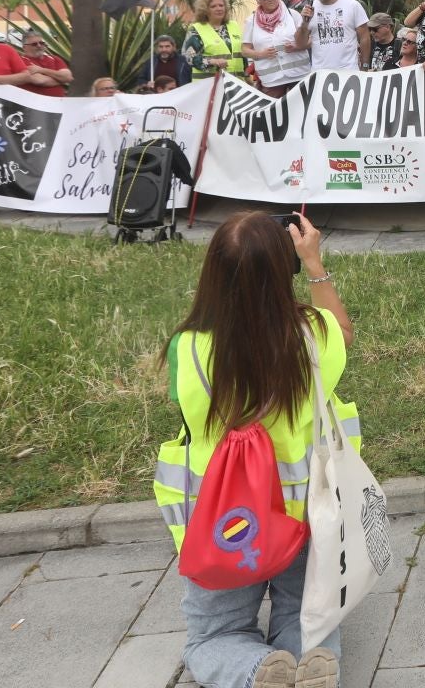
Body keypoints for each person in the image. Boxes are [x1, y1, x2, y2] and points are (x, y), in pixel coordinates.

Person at [153, 212, 354, 688]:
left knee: (211, 635)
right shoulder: (314, 334)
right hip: (303, 508)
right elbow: (344, 332)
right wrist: (314, 264)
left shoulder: (187, 347)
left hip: (222, 519)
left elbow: (183, 406)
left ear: (213, 274)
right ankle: (311, 664)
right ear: (283, 269)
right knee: (307, 616)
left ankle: (255, 671)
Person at [242, 0, 310, 98]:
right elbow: (244, 50)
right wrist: (260, 54)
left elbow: (311, 41)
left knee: (304, 112)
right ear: (257, 0)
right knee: (276, 116)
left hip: (299, 75)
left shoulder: (292, 15)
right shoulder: (251, 21)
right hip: (271, 81)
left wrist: (297, 46)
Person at [302, 0, 370, 73]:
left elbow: (365, 37)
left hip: (348, 73)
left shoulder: (352, 5)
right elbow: (300, 43)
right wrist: (304, 23)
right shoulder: (309, 9)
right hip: (320, 75)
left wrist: (365, 65)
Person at [186, 0, 247, 81]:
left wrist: (247, 75)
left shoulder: (234, 25)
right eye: (213, 6)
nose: (219, 9)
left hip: (236, 84)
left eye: (221, 5)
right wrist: (212, 62)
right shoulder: (196, 29)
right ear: (205, 10)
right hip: (209, 86)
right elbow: (189, 57)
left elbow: (241, 54)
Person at [17, 30, 74, 99]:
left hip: (58, 106)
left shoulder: (55, 59)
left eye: (41, 43)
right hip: (34, 106)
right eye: (34, 44)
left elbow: (68, 77)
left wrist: (41, 70)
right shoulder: (21, 61)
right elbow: (40, 80)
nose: (39, 46)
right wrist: (61, 81)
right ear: (24, 47)